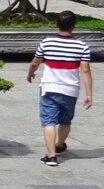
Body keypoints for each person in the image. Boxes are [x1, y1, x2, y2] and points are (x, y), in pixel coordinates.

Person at [28, 11, 94, 166]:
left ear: (57, 24)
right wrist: (89, 93)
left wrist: (30, 73)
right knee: (65, 121)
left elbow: (35, 62)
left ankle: (51, 156)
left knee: (49, 122)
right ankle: (59, 144)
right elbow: (85, 70)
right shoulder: (82, 46)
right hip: (70, 89)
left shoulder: (47, 42)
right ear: (74, 25)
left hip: (49, 87)